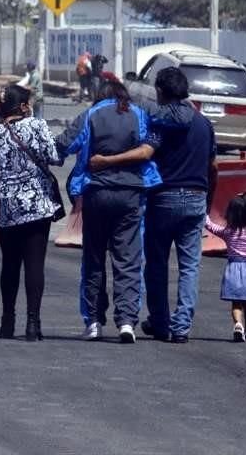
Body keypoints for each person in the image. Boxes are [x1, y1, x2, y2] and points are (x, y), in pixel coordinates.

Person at [90, 67, 216, 343]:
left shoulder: (160, 123)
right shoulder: (204, 124)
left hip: (163, 198)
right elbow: (213, 166)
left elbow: (146, 152)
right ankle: (181, 327)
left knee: (156, 263)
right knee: (189, 266)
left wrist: (106, 161)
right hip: (196, 197)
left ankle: (160, 321)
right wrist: (208, 202)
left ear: (160, 92)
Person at [56, 80, 161, 344]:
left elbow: (64, 145)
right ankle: (126, 321)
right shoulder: (139, 114)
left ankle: (93, 321)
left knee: (93, 260)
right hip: (131, 194)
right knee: (128, 260)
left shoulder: (90, 114)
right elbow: (151, 147)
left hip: (96, 194)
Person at [0, 84, 61, 341]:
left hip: (7, 209)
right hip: (37, 207)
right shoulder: (37, 126)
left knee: (10, 265)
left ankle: (7, 321)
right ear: (22, 107)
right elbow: (54, 157)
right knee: (34, 264)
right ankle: (33, 324)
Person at [205, 192, 246, 342]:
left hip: (233, 269)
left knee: (236, 303)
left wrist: (204, 213)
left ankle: (238, 325)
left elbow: (211, 227)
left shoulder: (228, 232)